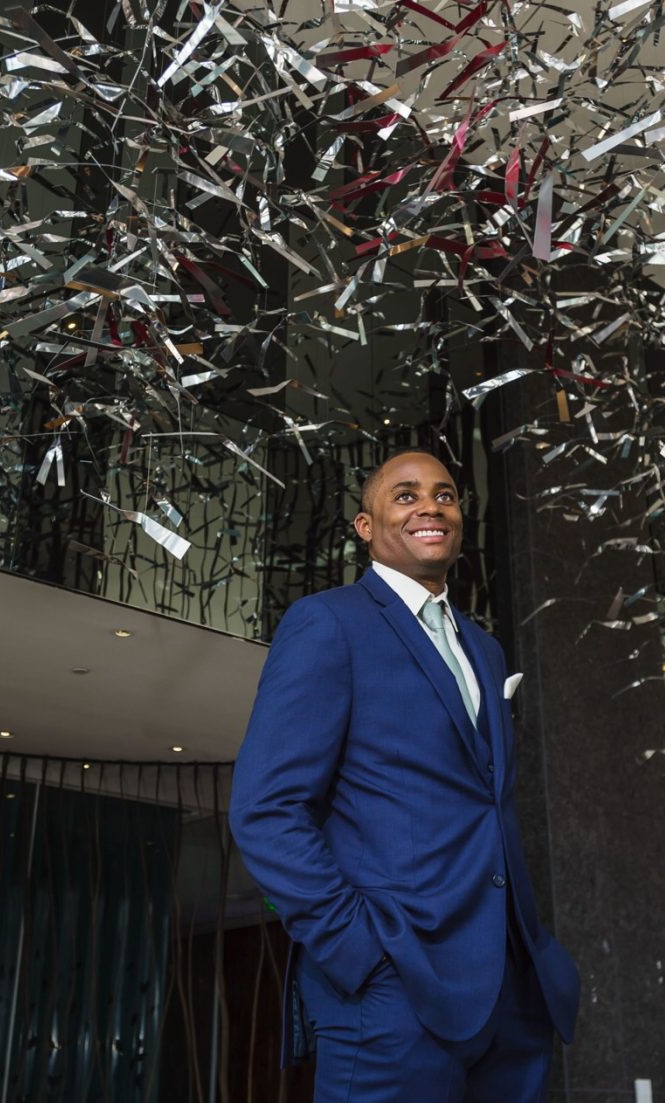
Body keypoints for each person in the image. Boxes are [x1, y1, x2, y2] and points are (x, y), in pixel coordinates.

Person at [229, 448, 579, 1102]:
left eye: (445, 495)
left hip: (510, 991)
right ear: (366, 527)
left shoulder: (483, 647)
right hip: (394, 989)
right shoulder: (328, 623)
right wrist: (358, 950)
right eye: (406, 495)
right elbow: (265, 810)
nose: (430, 507)